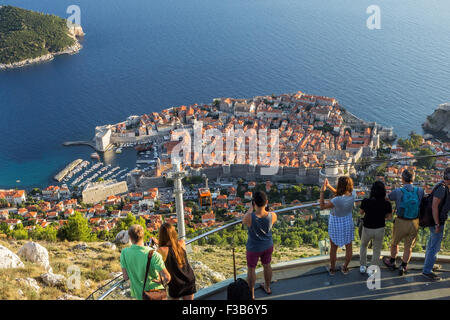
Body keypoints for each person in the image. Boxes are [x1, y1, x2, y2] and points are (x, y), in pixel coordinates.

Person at [383, 169, 424, 276]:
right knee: (408, 246)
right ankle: (404, 266)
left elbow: (387, 198)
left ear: (402, 179)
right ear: (413, 178)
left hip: (401, 221)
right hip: (414, 222)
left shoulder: (398, 191)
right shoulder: (420, 191)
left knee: (394, 243)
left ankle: (392, 261)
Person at [120, 224, 171, 300]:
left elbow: (126, 277)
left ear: (130, 238)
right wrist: (162, 281)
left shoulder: (124, 252)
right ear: (143, 236)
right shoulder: (153, 254)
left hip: (140, 295)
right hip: (156, 293)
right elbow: (167, 277)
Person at [242, 191, 277, 299]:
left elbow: (244, 220)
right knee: (267, 265)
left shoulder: (249, 217)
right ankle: (267, 287)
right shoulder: (273, 215)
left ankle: (251, 294)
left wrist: (251, 208)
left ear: (254, 203)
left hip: (254, 248)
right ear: (266, 202)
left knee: (251, 269)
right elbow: (269, 215)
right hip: (267, 245)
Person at [320, 177, 356, 276]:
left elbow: (322, 206)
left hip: (336, 223)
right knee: (349, 247)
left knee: (333, 248)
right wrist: (329, 187)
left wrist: (322, 192)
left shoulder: (336, 200)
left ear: (340, 186)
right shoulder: (353, 194)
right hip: (347, 221)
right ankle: (345, 268)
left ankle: (332, 269)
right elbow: (342, 195)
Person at [152, 223, 196, 300]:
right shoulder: (182, 243)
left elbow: (157, 260)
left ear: (161, 235)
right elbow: (172, 246)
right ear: (174, 233)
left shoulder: (161, 250)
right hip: (189, 279)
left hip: (175, 283)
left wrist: (157, 243)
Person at [359, 181, 393, 275]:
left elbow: (361, 213)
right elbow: (389, 217)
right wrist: (382, 215)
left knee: (363, 246)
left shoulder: (366, 201)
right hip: (380, 228)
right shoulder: (386, 203)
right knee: (377, 249)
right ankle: (373, 268)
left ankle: (362, 266)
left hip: (367, 228)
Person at [422, 167, 450, 281]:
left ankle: (428, 266)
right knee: (434, 247)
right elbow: (434, 207)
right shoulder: (442, 189)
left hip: (434, 221)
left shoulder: (441, 186)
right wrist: (438, 224)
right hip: (436, 222)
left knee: (431, 245)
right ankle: (427, 271)